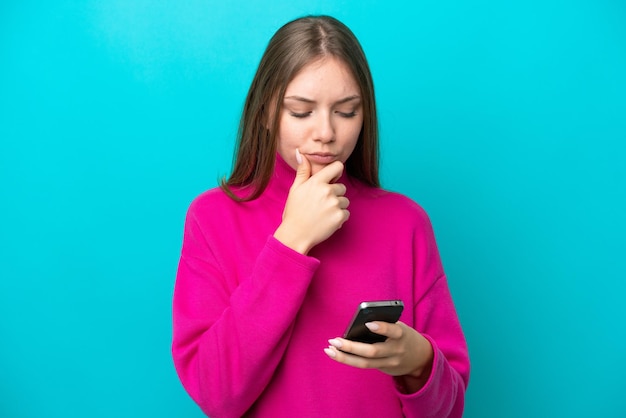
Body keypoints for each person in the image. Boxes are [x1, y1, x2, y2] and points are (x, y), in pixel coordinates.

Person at [172, 15, 470, 417]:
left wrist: (419, 363)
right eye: (300, 112)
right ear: (265, 112)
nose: (326, 132)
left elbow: (450, 408)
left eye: (347, 112)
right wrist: (291, 240)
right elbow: (217, 395)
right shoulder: (212, 218)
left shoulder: (406, 222)